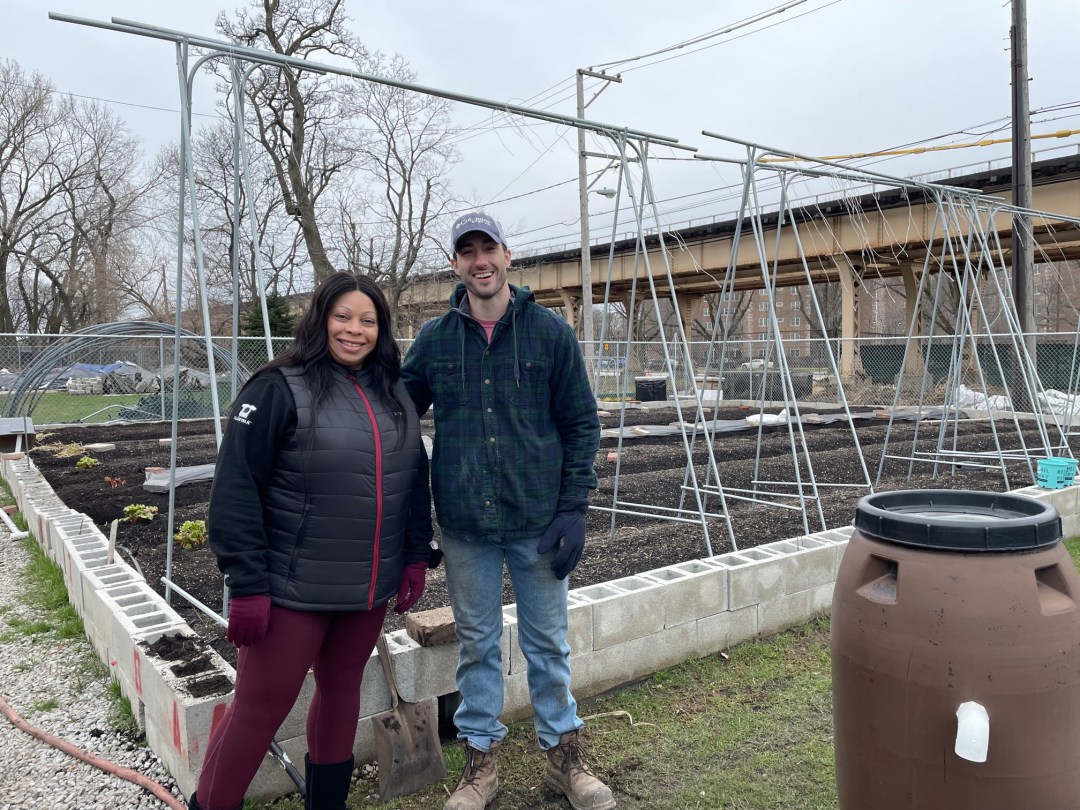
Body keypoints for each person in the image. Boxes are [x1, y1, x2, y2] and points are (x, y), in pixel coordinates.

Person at [189, 272, 435, 810]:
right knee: (259, 708)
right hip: (289, 592)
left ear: (382, 329)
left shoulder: (394, 392)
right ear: (320, 319)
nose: (355, 329)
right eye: (343, 316)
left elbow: (413, 479)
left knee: (343, 690)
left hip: (366, 589)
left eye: (368, 320)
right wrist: (247, 583)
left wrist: (416, 556)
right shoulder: (277, 387)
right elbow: (235, 491)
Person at [402, 212, 614, 810]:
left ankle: (565, 764)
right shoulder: (436, 340)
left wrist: (574, 505)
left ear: (507, 255)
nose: (479, 261)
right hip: (468, 525)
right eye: (466, 252)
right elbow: (394, 412)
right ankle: (480, 768)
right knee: (478, 646)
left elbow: (581, 422)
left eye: (487, 248)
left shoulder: (548, 333)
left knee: (548, 644)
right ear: (455, 265)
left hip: (539, 522)